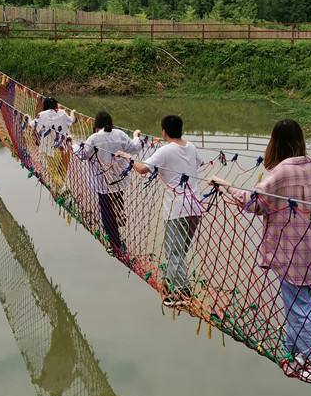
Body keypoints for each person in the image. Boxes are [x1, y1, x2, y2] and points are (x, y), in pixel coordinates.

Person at [208, 118, 311, 381]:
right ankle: (297, 357)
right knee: (301, 306)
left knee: (298, 309)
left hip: (289, 252)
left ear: (275, 143)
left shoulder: (280, 172)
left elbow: (253, 204)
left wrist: (225, 186)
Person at [117, 114, 203, 306]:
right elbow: (199, 163)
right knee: (179, 251)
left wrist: (128, 157)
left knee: (174, 253)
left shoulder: (166, 151)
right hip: (196, 208)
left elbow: (141, 169)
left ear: (163, 132)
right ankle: (174, 285)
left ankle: (182, 293)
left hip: (177, 209)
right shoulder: (191, 147)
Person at [77, 111, 141, 256]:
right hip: (119, 179)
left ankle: (116, 244)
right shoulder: (119, 134)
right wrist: (136, 136)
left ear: (95, 124)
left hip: (102, 182)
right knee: (117, 203)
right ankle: (119, 220)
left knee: (106, 212)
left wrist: (74, 145)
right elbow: (135, 148)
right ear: (111, 123)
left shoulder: (94, 138)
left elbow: (83, 155)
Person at [28, 96, 76, 192]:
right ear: (55, 105)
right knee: (63, 170)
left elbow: (31, 125)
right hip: (66, 145)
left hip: (51, 147)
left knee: (52, 171)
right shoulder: (62, 112)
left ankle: (62, 187)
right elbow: (72, 121)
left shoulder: (41, 115)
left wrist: (28, 117)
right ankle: (60, 190)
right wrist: (72, 113)